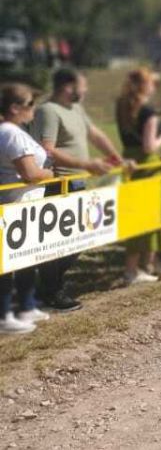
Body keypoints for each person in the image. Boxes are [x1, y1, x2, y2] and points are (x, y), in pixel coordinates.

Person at [30, 68, 130, 312]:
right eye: (82, 86)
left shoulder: (75, 108)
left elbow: (94, 134)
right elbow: (48, 150)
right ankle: (50, 291)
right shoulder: (48, 111)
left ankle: (47, 287)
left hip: (77, 183)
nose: (85, 91)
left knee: (79, 240)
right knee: (58, 243)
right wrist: (86, 164)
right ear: (67, 87)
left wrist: (116, 158)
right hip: (58, 186)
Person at [0, 84, 55, 334]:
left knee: (26, 258)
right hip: (15, 204)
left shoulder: (13, 131)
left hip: (24, 206)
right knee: (8, 263)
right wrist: (50, 173)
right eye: (31, 104)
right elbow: (30, 172)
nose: (34, 109)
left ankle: (26, 305)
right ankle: (4, 315)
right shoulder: (11, 132)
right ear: (14, 108)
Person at [115, 68, 161, 284]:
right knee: (148, 217)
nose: (154, 87)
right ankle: (135, 269)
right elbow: (150, 147)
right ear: (144, 86)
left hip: (130, 162)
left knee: (136, 217)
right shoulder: (148, 111)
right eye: (151, 83)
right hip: (148, 166)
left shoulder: (122, 104)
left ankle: (143, 265)